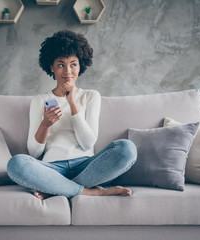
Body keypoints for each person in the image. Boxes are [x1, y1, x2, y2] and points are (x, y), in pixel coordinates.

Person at [7, 30, 137, 200]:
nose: (68, 71)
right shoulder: (40, 100)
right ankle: (90, 191)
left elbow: (87, 143)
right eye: (61, 64)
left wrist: (73, 103)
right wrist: (45, 124)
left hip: (86, 166)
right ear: (52, 67)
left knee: (127, 149)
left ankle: (56, 187)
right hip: (51, 169)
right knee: (16, 164)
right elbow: (34, 153)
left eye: (73, 64)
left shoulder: (91, 96)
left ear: (80, 65)